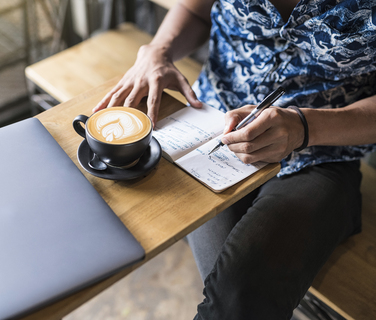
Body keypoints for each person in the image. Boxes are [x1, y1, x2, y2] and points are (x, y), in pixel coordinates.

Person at [94, 0, 376, 319]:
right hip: (210, 127)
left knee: (237, 295)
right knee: (233, 299)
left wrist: (304, 127)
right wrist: (159, 49)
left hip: (322, 151)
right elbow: (195, 10)